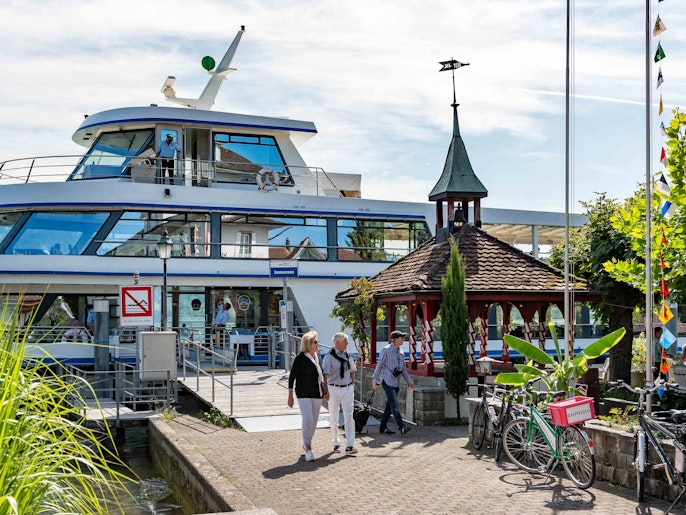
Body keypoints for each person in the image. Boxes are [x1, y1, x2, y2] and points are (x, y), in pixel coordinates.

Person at [288, 331, 329, 462]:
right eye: (315, 342)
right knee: (307, 418)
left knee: (314, 422)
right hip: (303, 393)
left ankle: (306, 442)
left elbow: (321, 374)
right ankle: (309, 448)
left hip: (316, 393)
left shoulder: (318, 357)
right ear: (308, 344)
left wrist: (325, 391)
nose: (318, 344)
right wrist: (290, 396)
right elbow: (292, 377)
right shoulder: (300, 358)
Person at [372, 330, 415, 435]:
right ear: (394, 340)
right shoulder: (385, 350)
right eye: (401, 337)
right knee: (395, 405)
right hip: (387, 381)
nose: (403, 339)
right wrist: (375, 380)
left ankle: (383, 427)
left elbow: (403, 369)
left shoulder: (401, 352)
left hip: (396, 382)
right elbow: (379, 366)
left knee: (389, 406)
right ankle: (402, 427)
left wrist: (409, 380)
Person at [322, 332, 358, 455]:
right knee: (334, 416)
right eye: (345, 341)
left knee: (349, 416)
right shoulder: (329, 356)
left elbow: (353, 370)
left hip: (347, 388)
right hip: (333, 388)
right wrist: (325, 391)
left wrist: (352, 384)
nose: (347, 343)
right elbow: (325, 374)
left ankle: (349, 445)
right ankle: (335, 441)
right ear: (338, 343)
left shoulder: (348, 354)